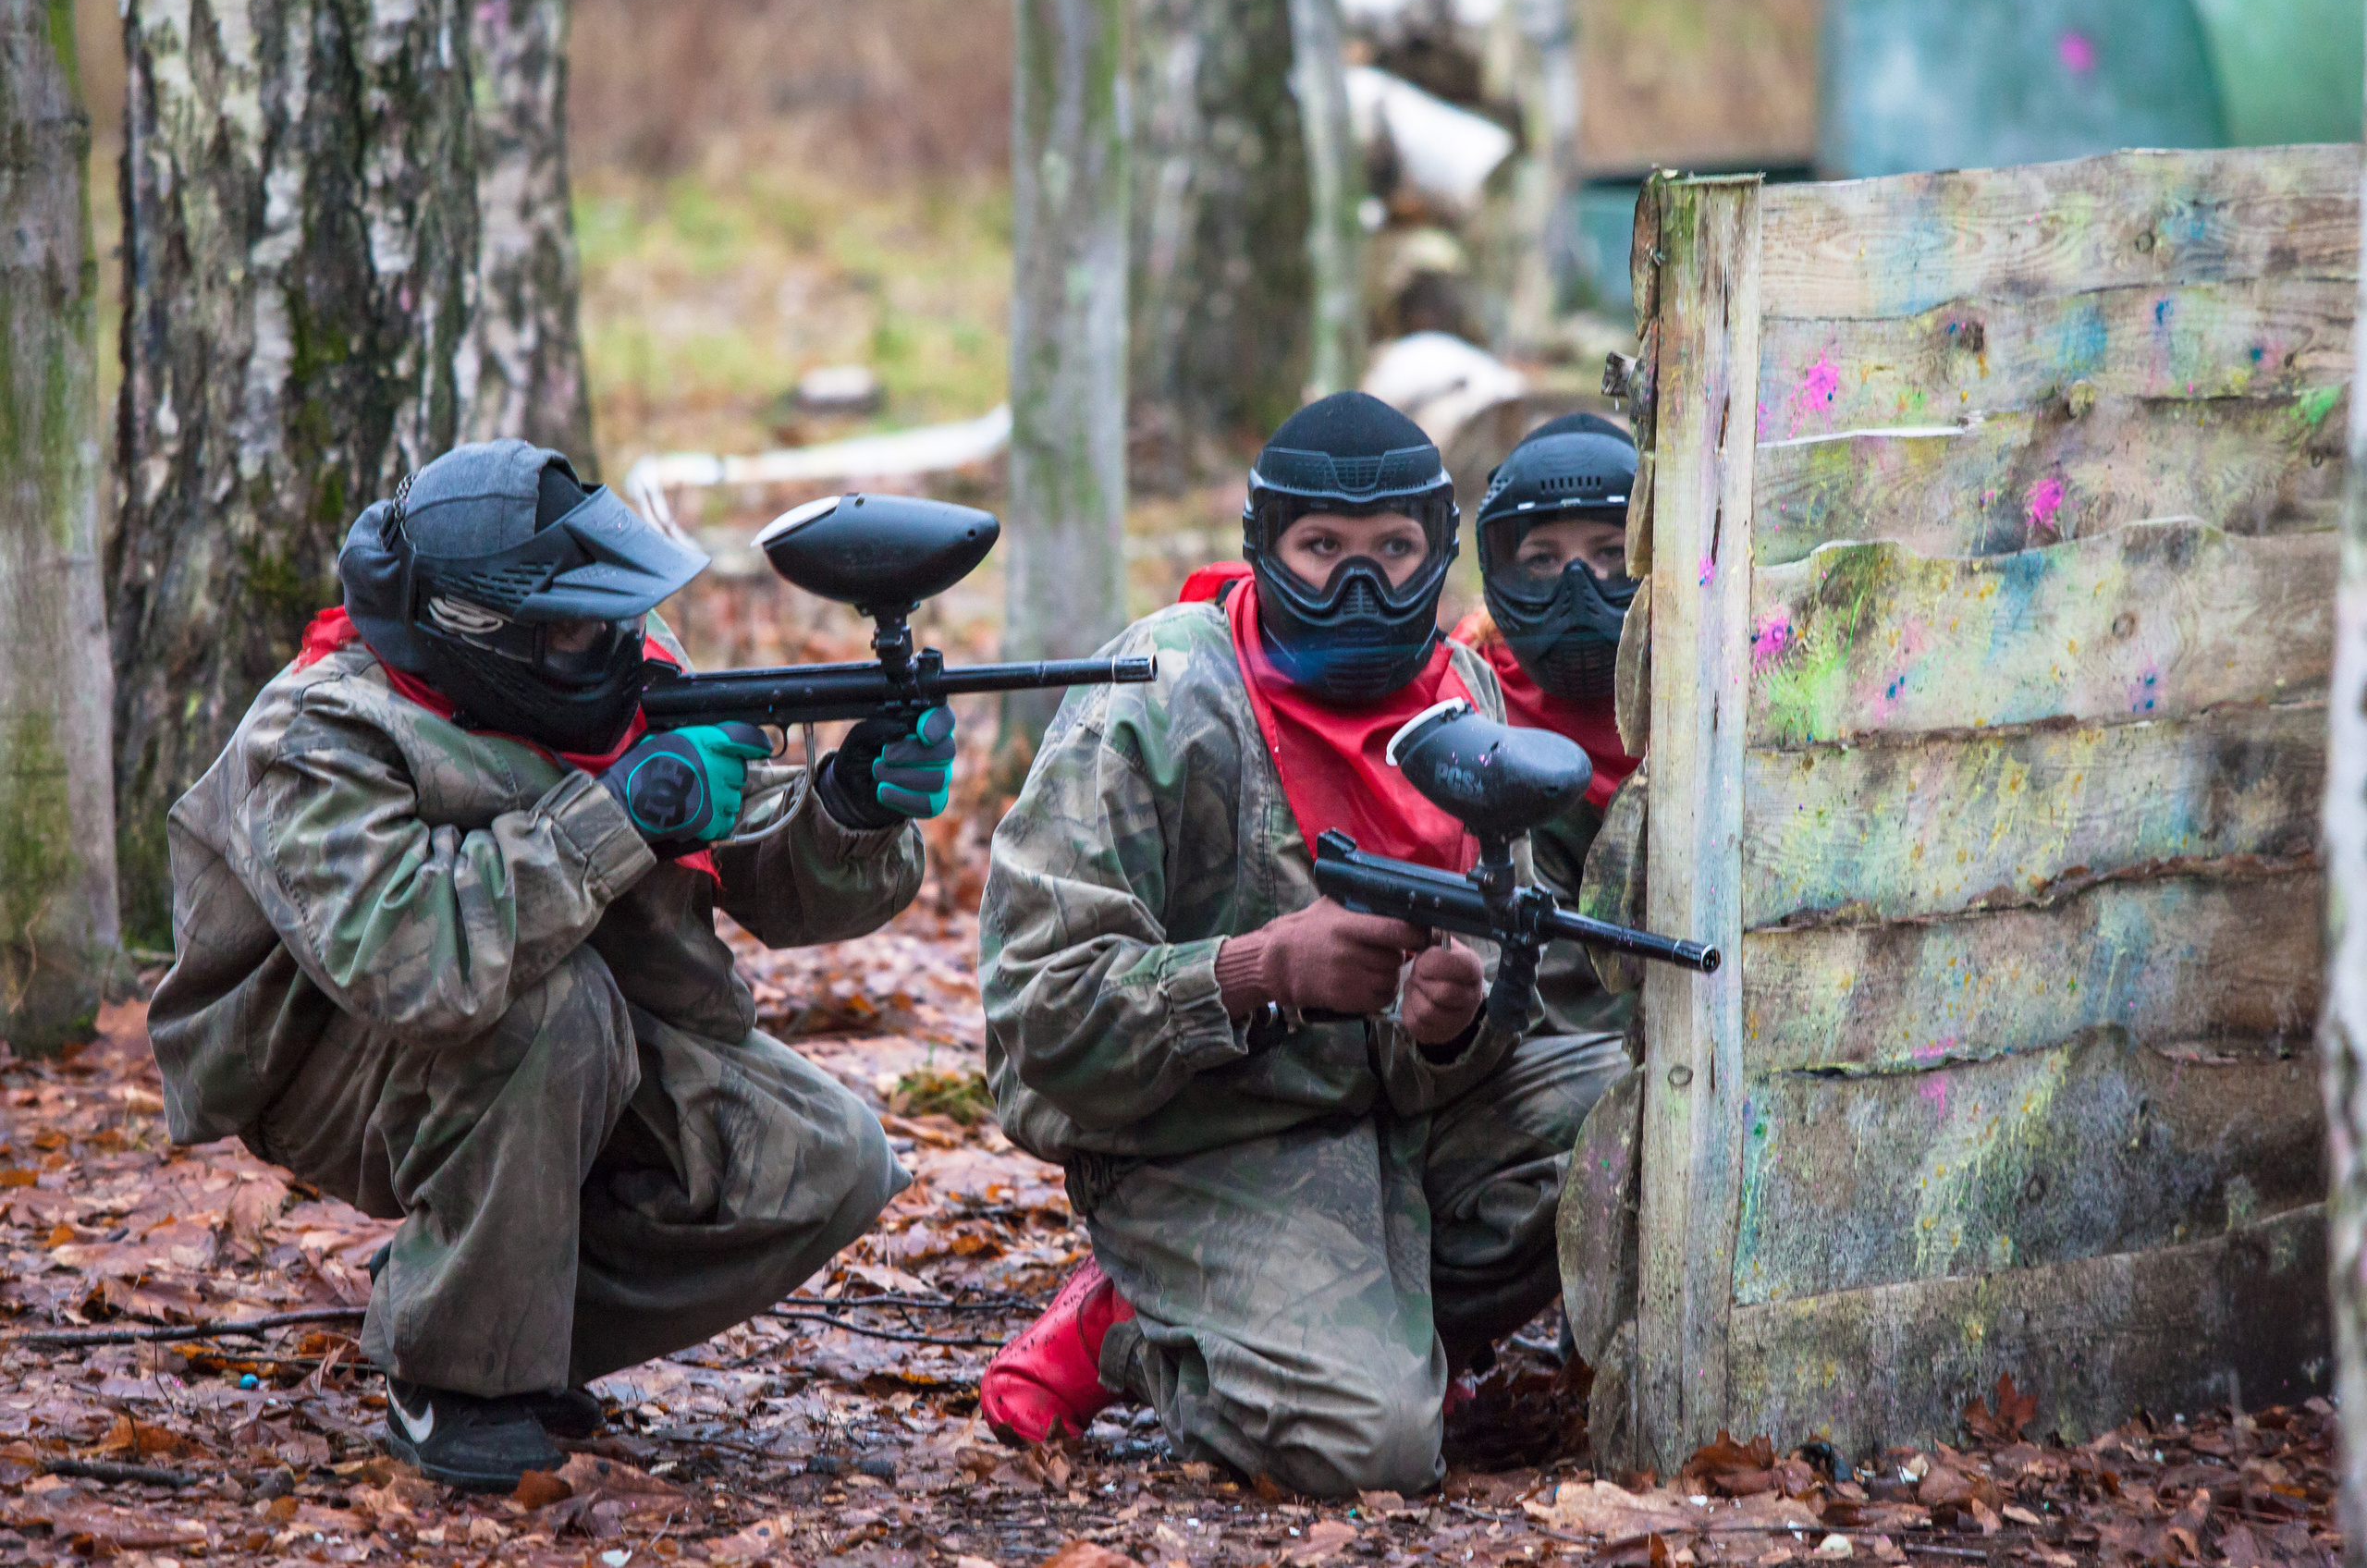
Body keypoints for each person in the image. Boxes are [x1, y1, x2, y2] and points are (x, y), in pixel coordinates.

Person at [147, 441, 957, 1489]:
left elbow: (756, 858)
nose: (618, 640)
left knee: (826, 1158)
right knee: (551, 1012)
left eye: (618, 612)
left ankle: (498, 1322)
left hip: (577, 1031)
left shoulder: (608, 672)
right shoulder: (323, 730)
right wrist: (619, 812)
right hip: (328, 1061)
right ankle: (453, 1382)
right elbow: (410, 962)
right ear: (478, 630)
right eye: (581, 624)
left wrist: (848, 806)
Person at [972, 392, 1631, 1496]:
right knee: (1370, 1448)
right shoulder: (1159, 699)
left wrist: (1448, 1028)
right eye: (1322, 549)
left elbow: (1455, 1057)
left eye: (1392, 551)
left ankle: (1347, 1325)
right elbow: (1038, 1021)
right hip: (1200, 1140)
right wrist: (1256, 970)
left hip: (1383, 1129)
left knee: (1634, 1111)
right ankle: (1147, 1331)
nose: (1359, 585)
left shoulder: (1462, 702)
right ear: (1262, 547)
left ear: (1438, 553)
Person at [1448, 412, 1643, 1039]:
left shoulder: (1722, 702)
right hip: (1538, 1054)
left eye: (1612, 554)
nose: (1578, 588)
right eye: (1543, 559)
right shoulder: (1468, 708)